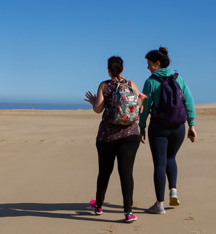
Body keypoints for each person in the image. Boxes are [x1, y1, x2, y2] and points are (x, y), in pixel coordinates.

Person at [84, 56, 145, 223]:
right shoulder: (131, 84)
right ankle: (128, 212)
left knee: (104, 172)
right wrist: (140, 102)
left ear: (108, 70)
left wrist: (92, 102)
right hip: (130, 135)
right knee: (126, 173)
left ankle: (98, 206)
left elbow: (98, 109)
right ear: (122, 69)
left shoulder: (104, 85)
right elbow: (139, 108)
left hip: (107, 137)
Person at [138, 47, 196, 213]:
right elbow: (189, 102)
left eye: (149, 64)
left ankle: (159, 204)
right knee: (171, 158)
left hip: (159, 127)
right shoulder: (179, 78)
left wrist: (142, 128)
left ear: (157, 63)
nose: (147, 67)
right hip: (178, 127)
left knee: (159, 164)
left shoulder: (150, 82)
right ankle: (174, 191)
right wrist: (191, 125)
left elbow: (145, 107)